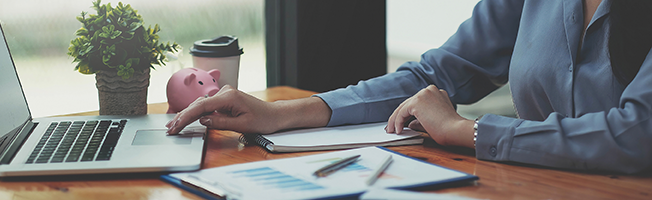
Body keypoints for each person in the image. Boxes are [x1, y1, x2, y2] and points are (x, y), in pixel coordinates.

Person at [166, 0, 652, 174]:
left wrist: (470, 131)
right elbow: (432, 75)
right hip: (533, 187)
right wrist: (286, 113)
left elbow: (637, 135)